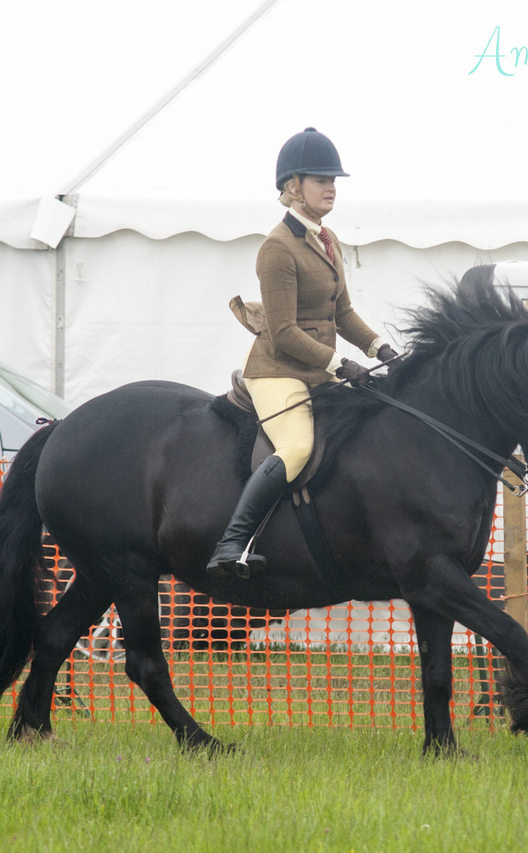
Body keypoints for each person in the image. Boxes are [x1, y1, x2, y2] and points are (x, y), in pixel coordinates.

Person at [210, 128, 396, 576]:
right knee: (295, 446)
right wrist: (339, 363)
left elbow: (344, 313)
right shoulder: (277, 248)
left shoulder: (327, 241)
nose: (331, 187)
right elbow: (284, 330)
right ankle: (232, 543)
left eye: (334, 180)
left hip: (316, 369)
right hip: (277, 370)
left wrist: (381, 348)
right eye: (320, 179)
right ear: (294, 187)